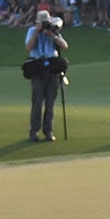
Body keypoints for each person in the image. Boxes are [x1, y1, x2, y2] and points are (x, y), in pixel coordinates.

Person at [25, 10, 66, 141]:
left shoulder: (53, 31)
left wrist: (52, 35)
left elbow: (64, 46)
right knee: (37, 103)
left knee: (50, 103)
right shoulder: (32, 31)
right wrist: (37, 32)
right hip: (38, 68)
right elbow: (29, 47)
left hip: (52, 69)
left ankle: (48, 130)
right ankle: (34, 131)